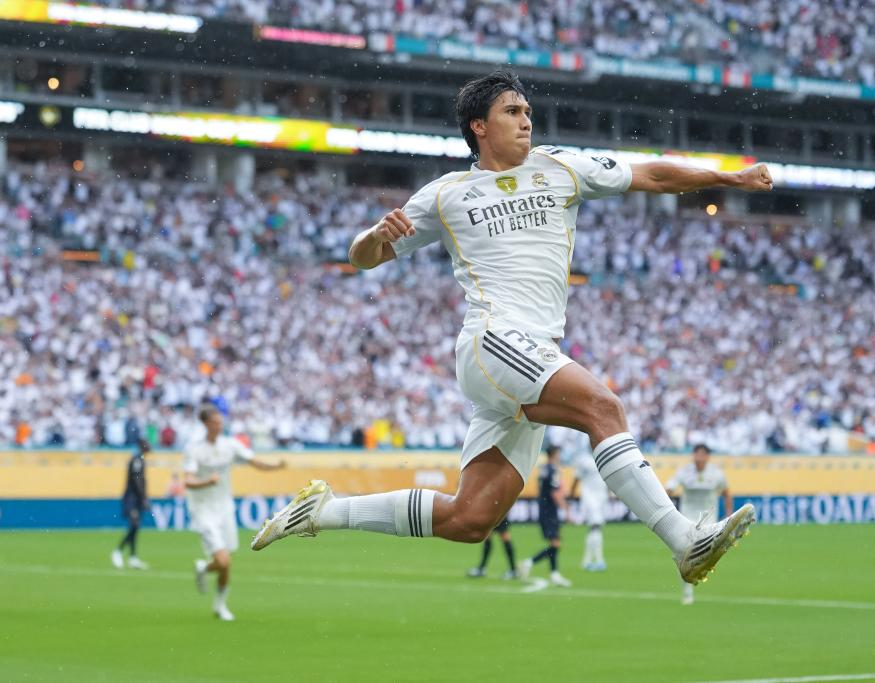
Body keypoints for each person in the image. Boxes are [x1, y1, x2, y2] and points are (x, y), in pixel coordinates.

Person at [252, 70, 770, 587]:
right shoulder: (446, 195)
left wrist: (729, 179)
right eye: (512, 112)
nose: (526, 121)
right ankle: (683, 540)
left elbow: (650, 174)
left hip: (532, 353)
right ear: (479, 126)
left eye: (527, 112)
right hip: (493, 340)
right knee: (603, 408)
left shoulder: (561, 167)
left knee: (470, 517)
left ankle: (323, 511)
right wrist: (374, 236)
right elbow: (362, 256)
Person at [184, 404, 286, 621]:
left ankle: (218, 601)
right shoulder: (194, 449)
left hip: (225, 509)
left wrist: (276, 466)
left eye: (220, 422)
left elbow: (254, 461)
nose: (219, 426)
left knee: (226, 562)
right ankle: (208, 573)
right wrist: (207, 481)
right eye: (215, 423)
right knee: (223, 561)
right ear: (205, 424)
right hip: (203, 510)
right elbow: (188, 481)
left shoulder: (230, 445)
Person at [665, 444, 732, 604]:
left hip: (708, 520)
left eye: (702, 454)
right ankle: (687, 590)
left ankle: (699, 573)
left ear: (707, 457)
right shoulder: (684, 472)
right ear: (693, 456)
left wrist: (729, 515)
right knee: (683, 554)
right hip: (687, 518)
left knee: (703, 556)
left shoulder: (716, 473)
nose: (699, 457)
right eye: (697, 454)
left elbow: (726, 492)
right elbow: (669, 489)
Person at [518, 445, 571, 586]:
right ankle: (529, 563)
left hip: (544, 509)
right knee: (555, 543)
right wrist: (566, 509)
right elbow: (554, 493)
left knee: (555, 542)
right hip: (550, 511)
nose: (560, 456)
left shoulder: (543, 469)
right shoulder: (553, 470)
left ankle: (553, 574)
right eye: (558, 453)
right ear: (554, 454)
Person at [111, 439, 151, 570]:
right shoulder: (137, 460)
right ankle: (118, 551)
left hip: (136, 499)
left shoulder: (140, 460)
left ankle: (133, 557)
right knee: (134, 525)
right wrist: (143, 497)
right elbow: (136, 480)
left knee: (135, 527)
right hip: (132, 499)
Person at [569, 449, 609, 571]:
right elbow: (577, 478)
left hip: (602, 497)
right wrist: (571, 496)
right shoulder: (584, 461)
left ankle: (587, 561)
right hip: (589, 497)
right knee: (596, 526)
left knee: (595, 528)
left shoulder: (603, 458)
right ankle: (598, 560)